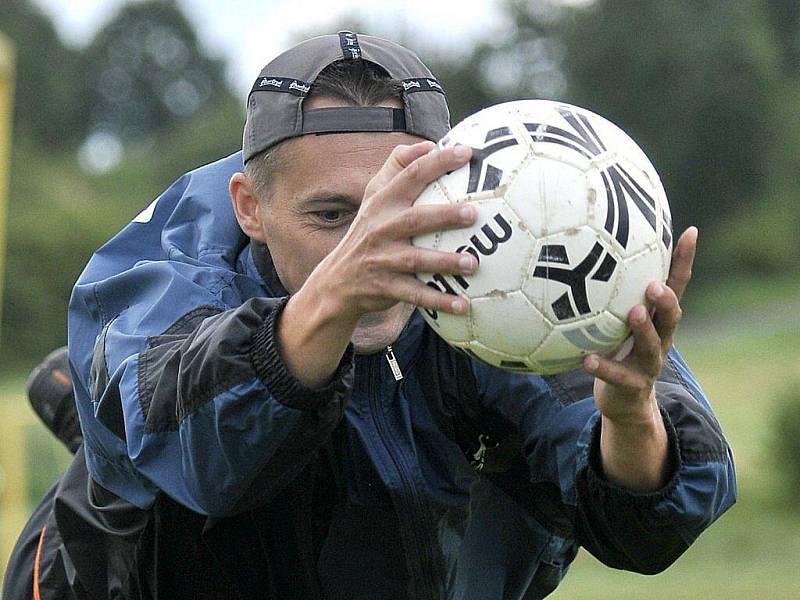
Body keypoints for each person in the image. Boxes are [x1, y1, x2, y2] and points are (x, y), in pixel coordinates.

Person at [3, 32, 735, 599]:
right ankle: (84, 407)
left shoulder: (505, 266)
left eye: (403, 209)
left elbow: (651, 528)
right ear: (250, 209)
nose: (378, 246)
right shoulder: (164, 275)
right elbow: (197, 450)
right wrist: (336, 296)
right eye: (333, 216)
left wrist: (634, 417)